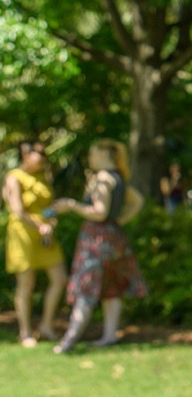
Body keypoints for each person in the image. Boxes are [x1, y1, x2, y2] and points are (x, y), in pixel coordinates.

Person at [52, 140, 147, 352]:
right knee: (111, 288)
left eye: (93, 153)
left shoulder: (103, 178)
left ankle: (68, 341)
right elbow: (137, 201)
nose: (90, 158)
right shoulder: (119, 177)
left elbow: (100, 212)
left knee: (86, 286)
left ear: (104, 153)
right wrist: (121, 220)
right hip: (115, 237)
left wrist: (71, 205)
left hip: (96, 239)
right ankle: (109, 336)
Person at [4, 140, 68, 346]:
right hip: (23, 233)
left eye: (44, 154)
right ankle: (25, 332)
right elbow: (18, 210)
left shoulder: (43, 176)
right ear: (25, 154)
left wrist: (51, 220)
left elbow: (49, 207)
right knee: (26, 284)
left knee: (59, 279)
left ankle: (47, 326)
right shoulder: (14, 177)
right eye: (38, 153)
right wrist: (39, 226)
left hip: (45, 234)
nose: (42, 157)